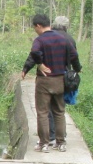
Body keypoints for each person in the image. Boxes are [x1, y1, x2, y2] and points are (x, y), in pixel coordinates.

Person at [19, 13, 81, 153]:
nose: (35, 30)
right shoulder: (63, 39)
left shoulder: (40, 40)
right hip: (60, 80)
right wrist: (77, 69)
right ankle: (61, 143)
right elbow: (74, 55)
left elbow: (34, 52)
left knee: (42, 112)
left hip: (44, 81)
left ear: (39, 26)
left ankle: (44, 143)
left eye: (35, 27)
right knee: (59, 112)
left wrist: (39, 64)